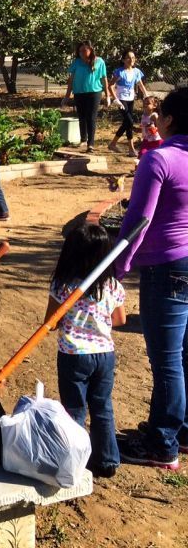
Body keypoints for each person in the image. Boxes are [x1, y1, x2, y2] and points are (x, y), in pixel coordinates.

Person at [115, 86, 188, 469]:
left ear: (170, 119)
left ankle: (162, 444)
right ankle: (183, 430)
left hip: (167, 269)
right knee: (186, 355)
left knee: (168, 361)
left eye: (160, 112)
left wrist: (119, 266)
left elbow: (138, 221)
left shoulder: (160, 160)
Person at [44, 222, 126, 478]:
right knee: (102, 407)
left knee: (75, 409)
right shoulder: (112, 285)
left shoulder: (63, 286)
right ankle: (107, 460)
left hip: (72, 355)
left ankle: (74, 461)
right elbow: (120, 320)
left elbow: (51, 321)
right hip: (104, 354)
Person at [63, 41, 111, 152]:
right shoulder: (76, 62)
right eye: (80, 51)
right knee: (82, 117)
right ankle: (83, 140)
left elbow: (104, 79)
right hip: (79, 93)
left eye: (84, 50)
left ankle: (91, 143)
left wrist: (108, 95)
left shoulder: (99, 62)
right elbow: (71, 80)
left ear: (90, 50)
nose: (82, 53)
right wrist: (67, 96)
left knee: (91, 117)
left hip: (94, 93)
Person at [108, 51, 148, 155]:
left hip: (131, 99)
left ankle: (129, 149)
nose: (131, 60)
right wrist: (115, 98)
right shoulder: (119, 72)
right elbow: (110, 85)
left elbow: (140, 84)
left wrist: (146, 94)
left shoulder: (136, 71)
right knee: (129, 122)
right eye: (128, 58)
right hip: (121, 99)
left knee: (127, 123)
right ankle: (114, 144)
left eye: (133, 57)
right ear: (123, 60)